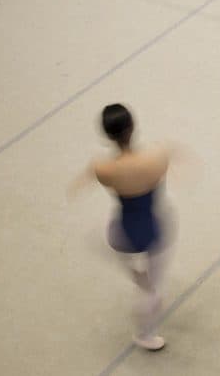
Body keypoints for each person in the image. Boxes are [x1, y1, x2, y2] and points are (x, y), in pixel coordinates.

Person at [68, 104, 173, 351]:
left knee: (139, 277)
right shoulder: (155, 159)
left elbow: (86, 179)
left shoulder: (102, 168)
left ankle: (138, 277)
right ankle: (145, 334)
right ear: (133, 127)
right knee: (151, 291)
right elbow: (165, 168)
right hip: (151, 232)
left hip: (120, 234)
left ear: (107, 135)